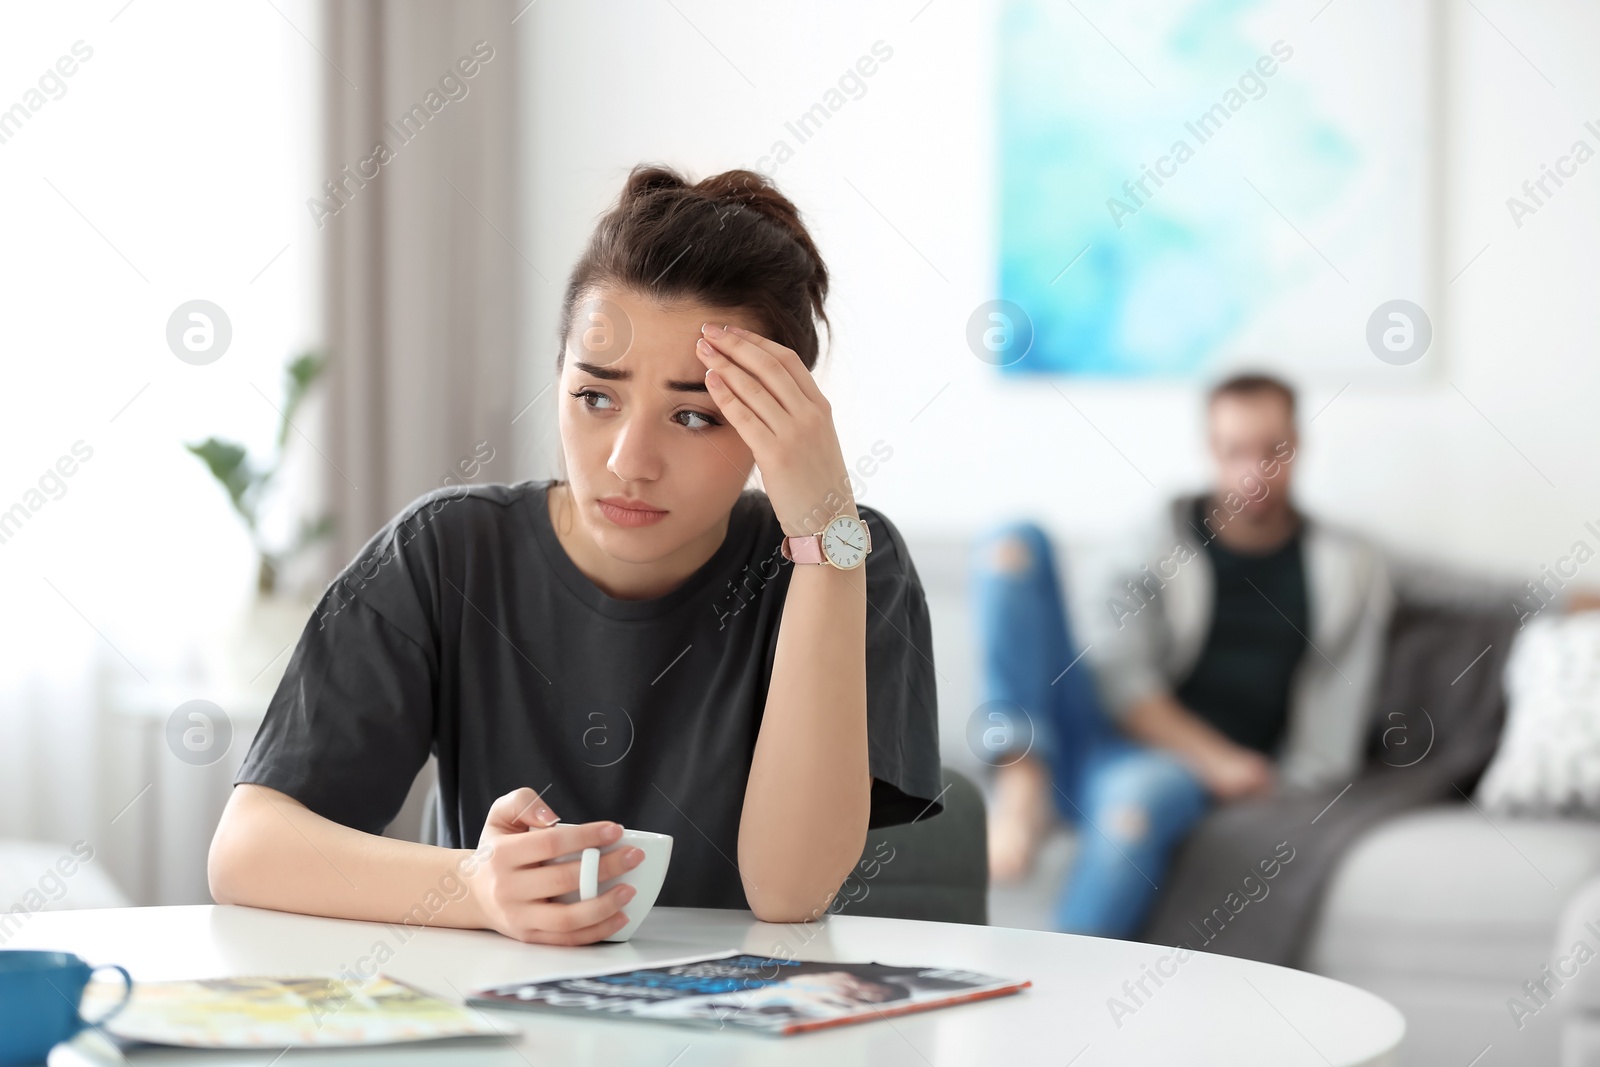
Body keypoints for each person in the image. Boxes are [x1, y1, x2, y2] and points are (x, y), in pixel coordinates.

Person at [208, 164, 942, 945]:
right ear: (558, 376)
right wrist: (474, 886)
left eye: (694, 416)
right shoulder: (447, 553)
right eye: (596, 396)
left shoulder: (855, 562)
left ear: (778, 425)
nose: (630, 458)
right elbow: (246, 848)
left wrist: (825, 538)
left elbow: (788, 893)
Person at [974, 373, 1391, 937]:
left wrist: (1543, 596)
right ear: (1210, 451)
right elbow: (1120, 677)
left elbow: (1447, 586)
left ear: (1298, 447)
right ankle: (1021, 778)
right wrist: (1219, 759)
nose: (1254, 472)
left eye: (1273, 451)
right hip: (1087, 727)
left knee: (1133, 807)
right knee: (1011, 543)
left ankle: (1060, 1006)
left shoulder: (1345, 562)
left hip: (1159, 769)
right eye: (1234, 451)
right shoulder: (1156, 539)